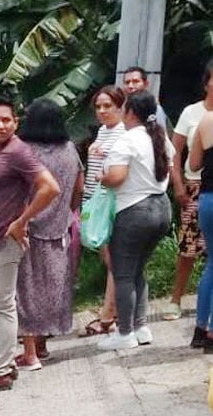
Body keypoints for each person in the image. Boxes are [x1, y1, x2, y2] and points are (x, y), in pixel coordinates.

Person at [0, 98, 60, 396]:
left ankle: (0, 370)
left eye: (7, 120)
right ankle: (3, 363)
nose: (1, 125)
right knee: (3, 304)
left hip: (4, 240)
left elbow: (50, 187)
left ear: (16, 123)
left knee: (3, 307)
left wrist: (22, 221)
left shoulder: (18, 151)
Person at [97, 90, 174, 351]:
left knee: (123, 273)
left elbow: (117, 177)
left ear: (129, 112)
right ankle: (141, 327)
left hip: (134, 211)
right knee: (138, 269)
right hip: (162, 207)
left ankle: (125, 333)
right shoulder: (160, 137)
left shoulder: (127, 140)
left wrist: (101, 178)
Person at [13, 99, 84, 371]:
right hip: (59, 228)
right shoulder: (70, 150)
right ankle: (42, 345)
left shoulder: (24, 151)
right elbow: (79, 187)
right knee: (54, 287)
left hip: (27, 228)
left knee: (26, 289)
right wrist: (68, 211)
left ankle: (30, 350)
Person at [165, 60, 213, 322]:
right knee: (188, 247)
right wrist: (178, 183)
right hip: (195, 185)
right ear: (206, 83)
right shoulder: (191, 113)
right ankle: (175, 299)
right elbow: (175, 151)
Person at [81, 86, 127, 337]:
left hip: (111, 201)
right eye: (98, 107)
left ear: (120, 107)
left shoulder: (124, 133)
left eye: (107, 106)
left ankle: (108, 314)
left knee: (114, 259)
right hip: (94, 200)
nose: (102, 111)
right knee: (107, 257)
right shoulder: (102, 131)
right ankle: (114, 310)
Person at [188, 108, 213, 352]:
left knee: (211, 264)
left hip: (207, 199)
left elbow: (194, 164)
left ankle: (200, 329)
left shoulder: (206, 119)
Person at [122, 66, 170, 132]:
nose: (130, 86)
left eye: (136, 81)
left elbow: (161, 134)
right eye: (127, 82)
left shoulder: (155, 109)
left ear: (146, 84)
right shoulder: (121, 108)